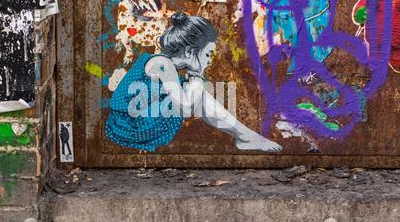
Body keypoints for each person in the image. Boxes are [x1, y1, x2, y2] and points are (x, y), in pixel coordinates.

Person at [106, 12, 283, 153]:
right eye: (207, 54)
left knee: (193, 92)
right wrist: (197, 77)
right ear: (190, 52)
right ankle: (245, 136)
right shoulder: (162, 64)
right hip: (130, 127)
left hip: (134, 121)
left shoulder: (167, 66)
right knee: (195, 95)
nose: (209, 61)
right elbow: (185, 107)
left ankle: (245, 136)